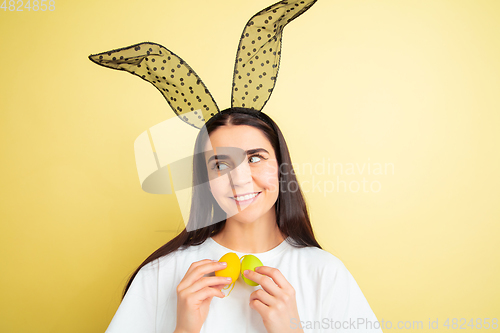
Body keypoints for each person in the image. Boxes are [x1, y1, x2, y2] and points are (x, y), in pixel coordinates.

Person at [104, 108, 383, 333]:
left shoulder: (326, 273)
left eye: (255, 158)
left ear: (281, 168)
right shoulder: (161, 274)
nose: (240, 179)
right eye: (221, 165)